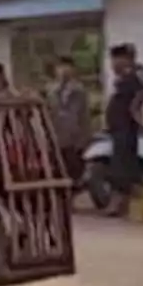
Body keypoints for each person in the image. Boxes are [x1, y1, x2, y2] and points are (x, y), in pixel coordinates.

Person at [105, 44, 143, 217]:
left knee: (122, 167)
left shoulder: (134, 79)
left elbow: (138, 99)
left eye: (115, 60)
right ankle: (123, 204)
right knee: (119, 165)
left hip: (126, 129)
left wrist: (138, 119)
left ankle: (120, 204)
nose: (113, 65)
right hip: (118, 129)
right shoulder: (123, 80)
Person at [45, 56, 90, 188]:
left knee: (75, 174)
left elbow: (84, 116)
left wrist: (84, 139)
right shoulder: (51, 91)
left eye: (66, 67)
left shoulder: (79, 91)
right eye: (60, 67)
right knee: (57, 173)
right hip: (55, 138)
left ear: (73, 70)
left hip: (74, 139)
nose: (63, 71)